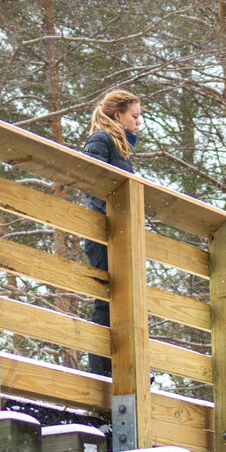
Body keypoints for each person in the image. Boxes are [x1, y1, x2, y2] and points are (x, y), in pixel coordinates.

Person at [80, 88, 142, 375]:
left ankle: (120, 366)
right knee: (106, 301)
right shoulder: (101, 139)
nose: (138, 122)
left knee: (124, 300)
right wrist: (109, 217)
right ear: (118, 115)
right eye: (135, 116)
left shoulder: (120, 148)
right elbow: (91, 180)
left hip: (118, 234)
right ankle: (101, 372)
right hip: (103, 232)